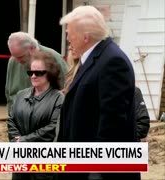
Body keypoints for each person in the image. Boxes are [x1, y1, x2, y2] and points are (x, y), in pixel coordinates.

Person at [57, 5, 140, 180]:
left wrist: (96, 170)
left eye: (69, 32)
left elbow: (112, 124)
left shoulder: (112, 61)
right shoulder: (94, 58)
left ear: (85, 36)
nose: (67, 38)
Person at [8, 51, 64, 180]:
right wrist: (16, 141)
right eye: (30, 72)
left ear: (49, 74)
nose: (33, 76)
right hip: (20, 161)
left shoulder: (58, 99)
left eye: (38, 73)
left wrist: (24, 141)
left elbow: (52, 128)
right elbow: (11, 120)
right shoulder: (21, 95)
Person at [5, 31, 68, 114]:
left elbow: (66, 91)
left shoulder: (55, 59)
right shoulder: (13, 61)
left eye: (20, 57)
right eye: (14, 56)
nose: (17, 61)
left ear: (31, 48)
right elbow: (9, 93)